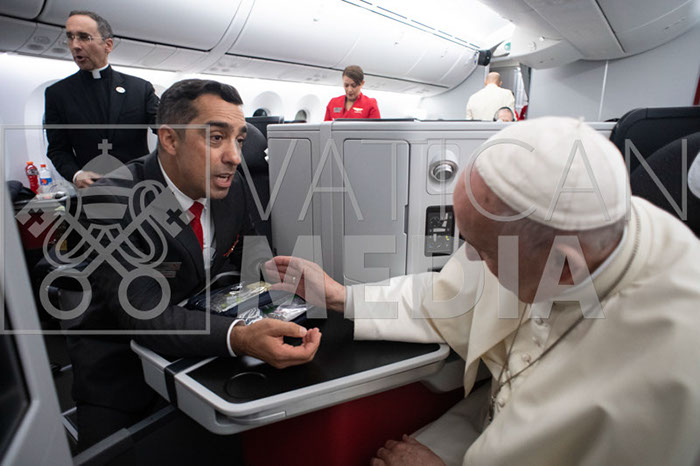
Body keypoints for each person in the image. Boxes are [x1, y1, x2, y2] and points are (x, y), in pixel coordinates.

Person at [265, 117, 700, 465]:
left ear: (565, 267)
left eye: (484, 250)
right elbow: (445, 294)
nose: (468, 260)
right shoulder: (562, 227)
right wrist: (341, 296)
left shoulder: (674, 368)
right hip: (487, 423)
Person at [63, 79, 321, 449]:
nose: (234, 156)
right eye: (216, 138)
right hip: (121, 368)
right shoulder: (111, 200)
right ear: (170, 139)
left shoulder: (231, 187)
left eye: (239, 140)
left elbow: (252, 255)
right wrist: (240, 336)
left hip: (200, 346)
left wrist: (287, 288)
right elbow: (145, 313)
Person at [44, 10, 159, 188]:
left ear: (108, 45)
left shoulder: (139, 88)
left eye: (84, 37)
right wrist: (76, 174)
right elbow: (57, 149)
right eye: (70, 37)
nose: (75, 45)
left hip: (141, 186)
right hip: (95, 190)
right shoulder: (58, 94)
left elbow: (165, 128)